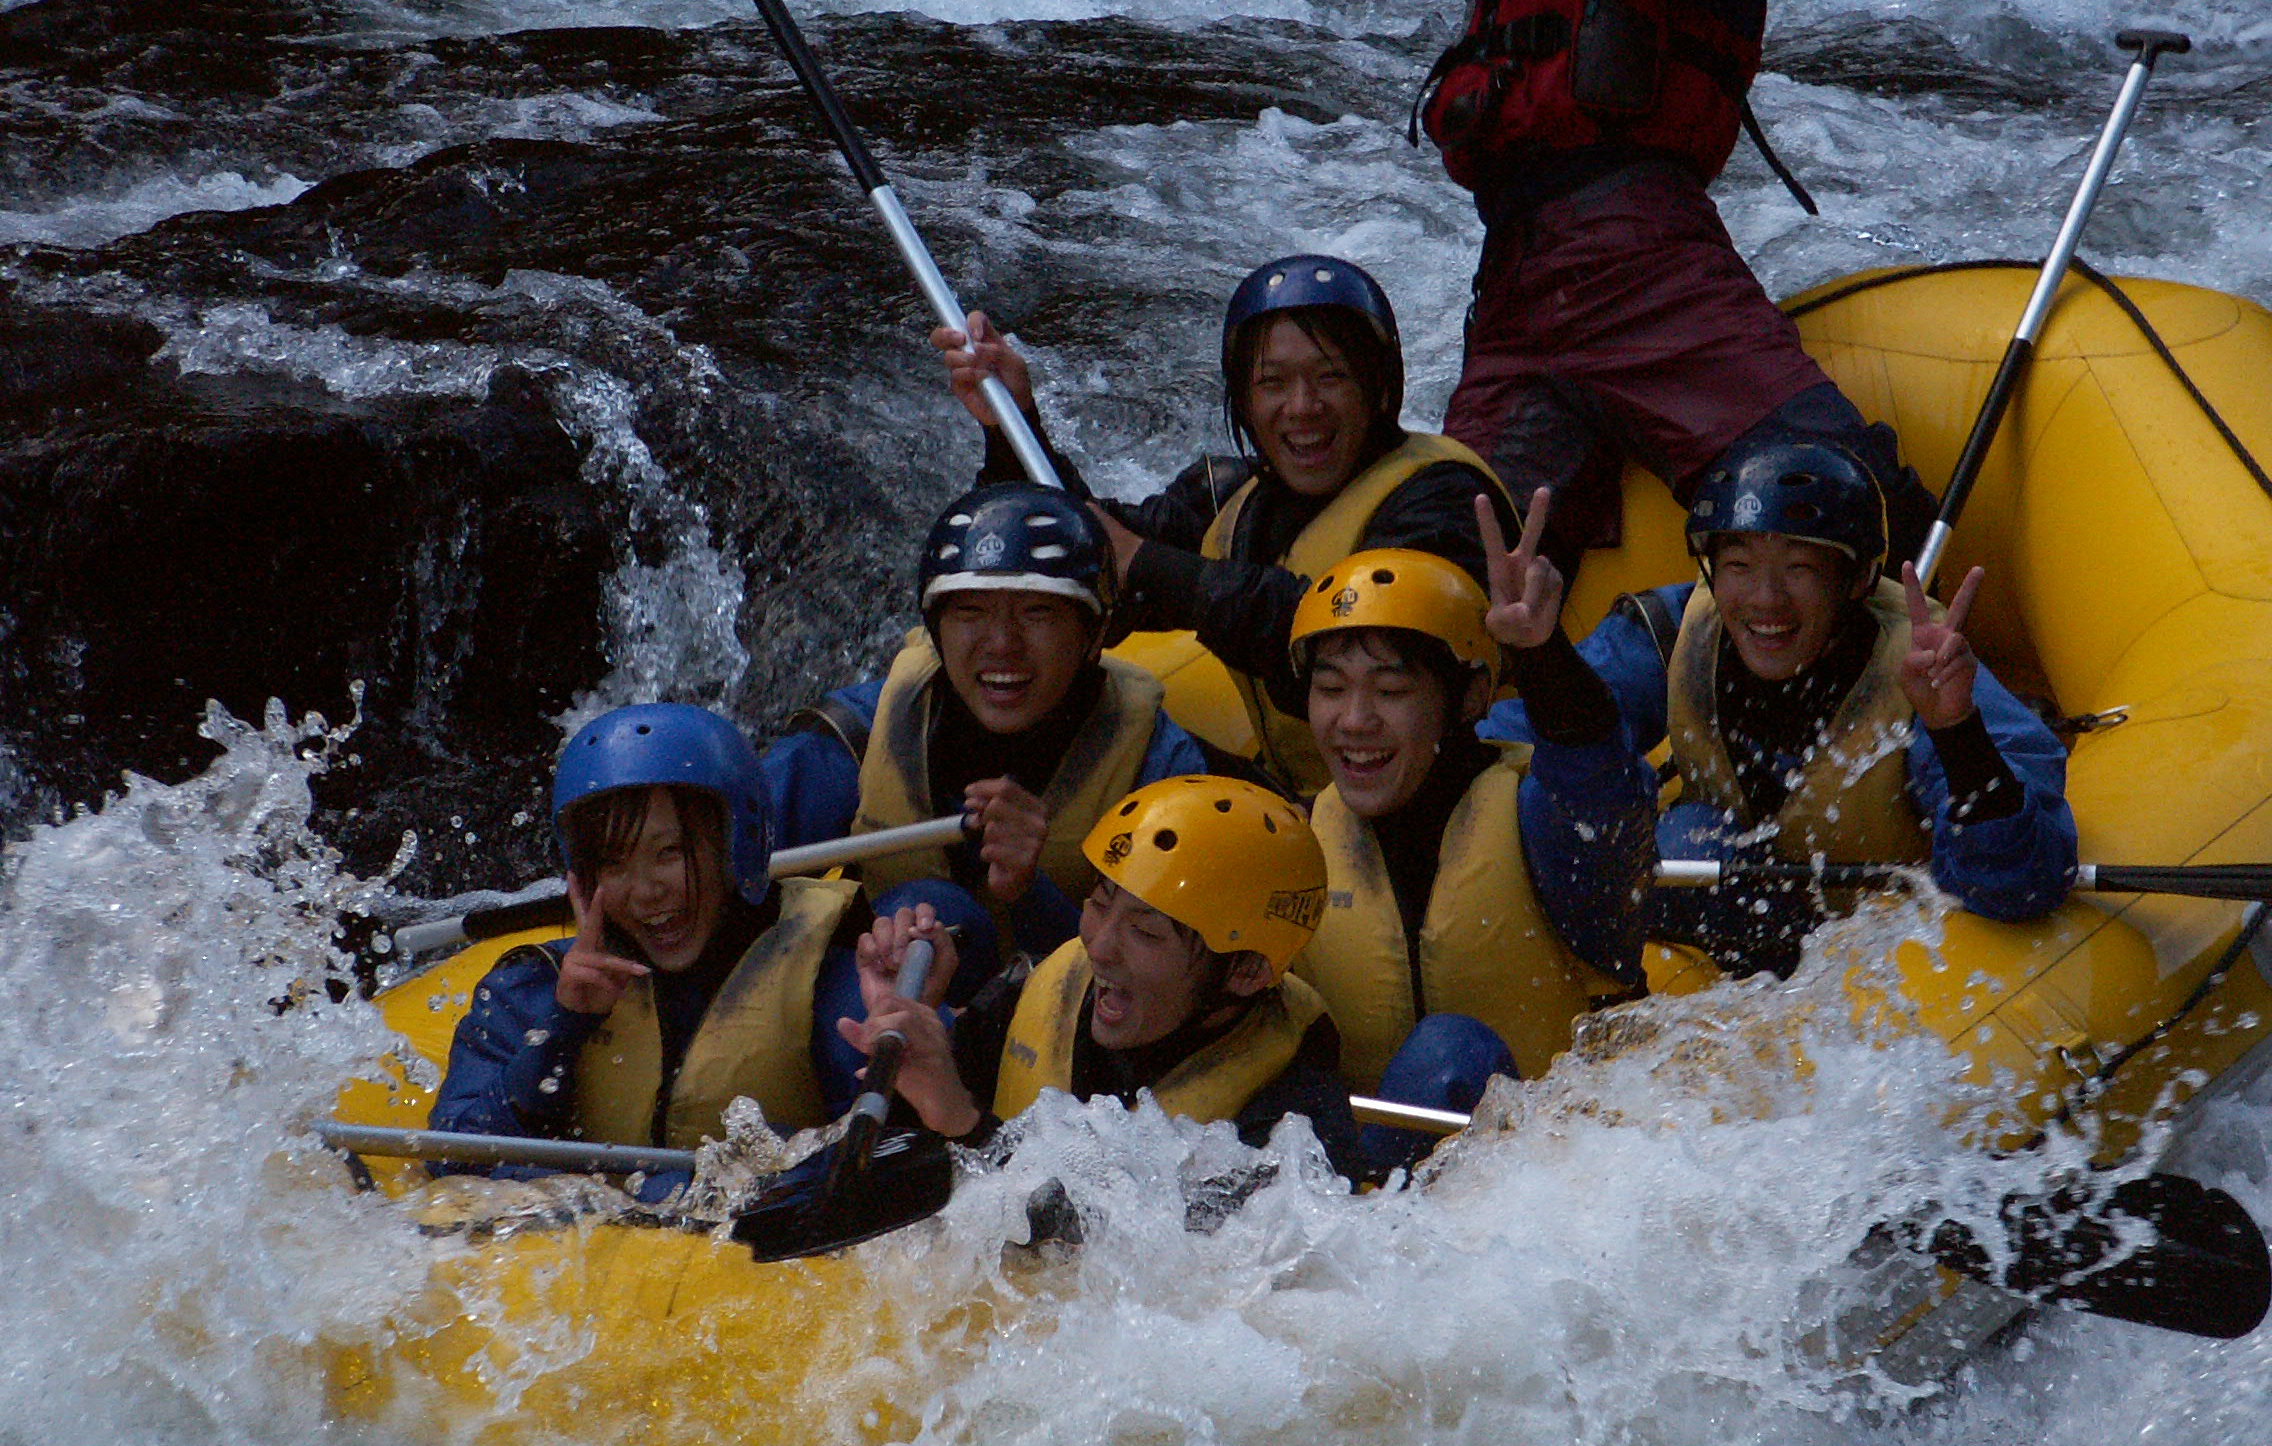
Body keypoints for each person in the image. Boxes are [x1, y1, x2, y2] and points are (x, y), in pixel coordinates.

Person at [1417, 0, 1939, 578]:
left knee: (1830, 489)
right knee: (1446, 561)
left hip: (1639, 251)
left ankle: (1925, 619)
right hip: (1513, 282)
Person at [1483, 438, 2076, 975]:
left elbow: (2018, 886)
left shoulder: (1927, 668)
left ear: (1857, 580)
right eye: (1739, 566)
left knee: (1689, 843)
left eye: (1799, 568)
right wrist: (1542, 658)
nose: (1765, 600)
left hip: (1879, 955)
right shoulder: (1674, 630)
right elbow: (1518, 741)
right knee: (1664, 832)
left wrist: (1957, 732)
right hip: (1728, 919)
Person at [933, 254, 1514, 796]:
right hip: (1312, 795)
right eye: (1272, 383)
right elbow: (1084, 552)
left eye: (1331, 376)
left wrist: (1149, 564)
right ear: (1243, 398)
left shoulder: (1444, 502)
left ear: (1379, 386)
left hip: (1437, 801)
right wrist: (1013, 425)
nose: (1302, 406)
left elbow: (1351, 640)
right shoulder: (1231, 495)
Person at [429, 703, 960, 1198]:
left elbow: (898, 1169)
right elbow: (452, 1160)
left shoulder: (829, 978)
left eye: (670, 853)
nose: (645, 891)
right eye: (614, 864)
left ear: (736, 845)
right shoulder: (533, 990)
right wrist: (561, 1033)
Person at [1289, 499, 1655, 1172]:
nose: (1354, 720)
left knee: (1449, 1054)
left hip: (1566, 1170)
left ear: (1470, 697)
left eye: (1390, 691)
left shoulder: (1534, 820)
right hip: (1369, 1187)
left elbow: (1596, 787)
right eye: (1330, 688)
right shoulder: (1298, 838)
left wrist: (1541, 656)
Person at [835, 775, 1375, 1183]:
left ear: (1246, 971)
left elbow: (1134, 1263)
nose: (1098, 946)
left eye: (1145, 932)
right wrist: (908, 1030)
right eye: (1099, 902)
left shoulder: (1292, 1120)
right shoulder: (1043, 994)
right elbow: (879, 1179)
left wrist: (960, 1121)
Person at [759, 482, 1207, 961]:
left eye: (1037, 613)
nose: (1002, 644)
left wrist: (1029, 890)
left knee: (943, 911)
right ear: (936, 632)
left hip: (1052, 995)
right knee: (934, 908)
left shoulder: (1158, 767)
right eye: (970, 613)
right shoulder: (855, 736)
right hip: (880, 982)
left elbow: (1166, 973)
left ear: (1094, 633)